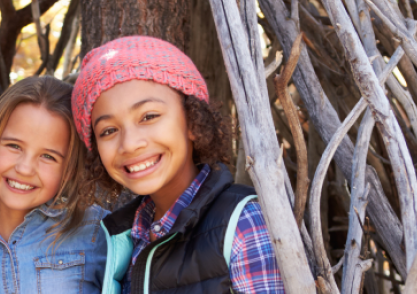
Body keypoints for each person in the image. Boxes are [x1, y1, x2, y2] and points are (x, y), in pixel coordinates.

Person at [72, 36, 285, 293]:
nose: (129, 144)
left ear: (193, 121)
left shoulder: (243, 222)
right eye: (108, 131)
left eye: (149, 116)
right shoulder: (125, 237)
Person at [0, 76, 108, 294]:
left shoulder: (98, 233)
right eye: (14, 146)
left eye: (48, 157)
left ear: (69, 170)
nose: (25, 168)